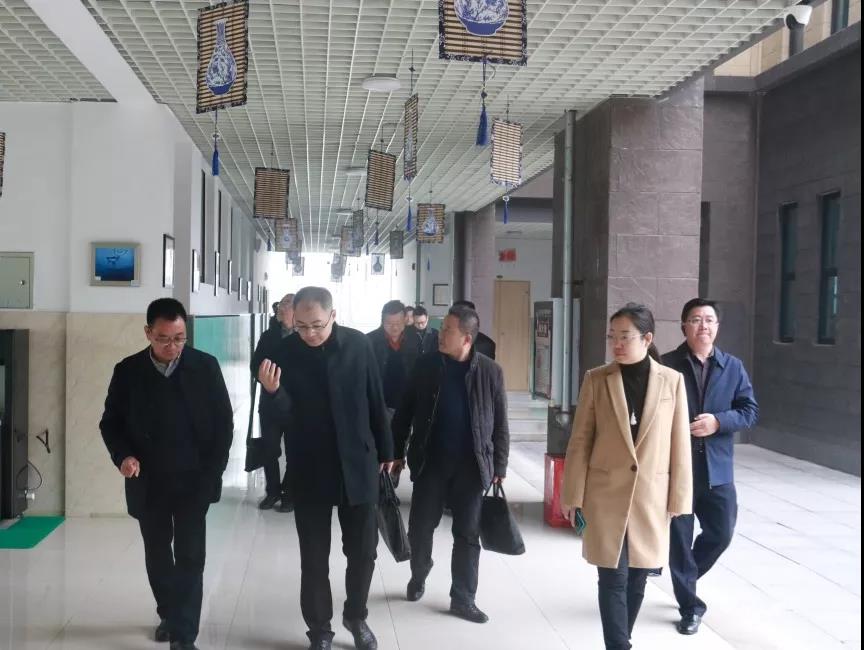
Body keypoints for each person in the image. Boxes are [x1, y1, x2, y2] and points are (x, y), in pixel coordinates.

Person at [258, 287, 394, 650]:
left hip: (358, 462)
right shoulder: (285, 352)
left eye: (317, 325)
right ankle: (319, 630)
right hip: (309, 464)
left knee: (363, 551)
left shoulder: (358, 346)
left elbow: (375, 398)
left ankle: (356, 616)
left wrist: (387, 450)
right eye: (301, 326)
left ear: (333, 316)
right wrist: (273, 392)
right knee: (314, 557)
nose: (309, 333)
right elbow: (279, 416)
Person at [99, 298, 234, 650]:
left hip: (194, 479)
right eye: (163, 339)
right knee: (158, 553)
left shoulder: (205, 367)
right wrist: (123, 456)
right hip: (148, 481)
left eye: (179, 338)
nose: (172, 346)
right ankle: (169, 614)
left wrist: (213, 472)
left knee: (191, 556)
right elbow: (110, 423)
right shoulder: (128, 371)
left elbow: (224, 424)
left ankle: (184, 636)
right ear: (148, 333)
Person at [560, 303, 692, 650]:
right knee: (612, 576)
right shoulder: (597, 379)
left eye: (625, 337)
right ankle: (619, 645)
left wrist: (679, 498)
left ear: (647, 339)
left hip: (650, 497)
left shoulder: (671, 381)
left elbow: (680, 443)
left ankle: (622, 638)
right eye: (612, 337)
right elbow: (580, 441)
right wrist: (572, 495)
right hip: (605, 495)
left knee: (638, 577)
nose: (616, 344)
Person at [392, 304, 510, 624]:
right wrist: (396, 452)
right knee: (420, 528)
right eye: (442, 328)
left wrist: (499, 466)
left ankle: (463, 598)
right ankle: (419, 572)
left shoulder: (490, 372)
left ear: (467, 339)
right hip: (431, 464)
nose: (440, 335)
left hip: (472, 469)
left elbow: (500, 424)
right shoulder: (426, 366)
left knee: (467, 534)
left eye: (448, 331)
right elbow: (404, 412)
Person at [663, 298, 758, 636]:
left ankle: (683, 575)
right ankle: (690, 607)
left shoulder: (732, 366)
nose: (703, 325)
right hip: (678, 469)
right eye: (695, 319)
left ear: (717, 326)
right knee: (679, 539)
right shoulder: (667, 365)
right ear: (684, 326)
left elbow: (749, 411)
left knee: (721, 533)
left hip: (717, 469)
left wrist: (718, 422)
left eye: (709, 320)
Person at [250, 293, 295, 512]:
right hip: (269, 403)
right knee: (269, 449)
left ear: (296, 309)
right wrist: (264, 378)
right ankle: (272, 491)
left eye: (286, 304)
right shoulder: (269, 336)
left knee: (295, 451)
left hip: (296, 405)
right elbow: (254, 365)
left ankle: (290, 493)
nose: (280, 307)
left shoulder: (305, 336)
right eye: (281, 304)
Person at [367, 300, 421, 417]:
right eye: (389, 323)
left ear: (405, 320)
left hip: (407, 403)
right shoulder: (369, 341)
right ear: (382, 321)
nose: (395, 327)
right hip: (380, 405)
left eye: (398, 322)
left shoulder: (414, 339)